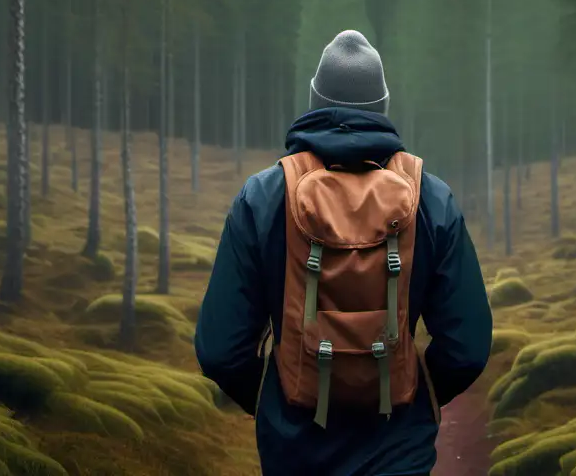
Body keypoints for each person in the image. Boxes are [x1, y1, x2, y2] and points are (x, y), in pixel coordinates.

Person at [195, 30, 492, 476]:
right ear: (382, 107)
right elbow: (467, 346)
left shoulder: (263, 196)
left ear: (315, 102)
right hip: (398, 450)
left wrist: (278, 398)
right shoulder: (431, 198)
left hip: (293, 451)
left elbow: (220, 349)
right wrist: (412, 394)